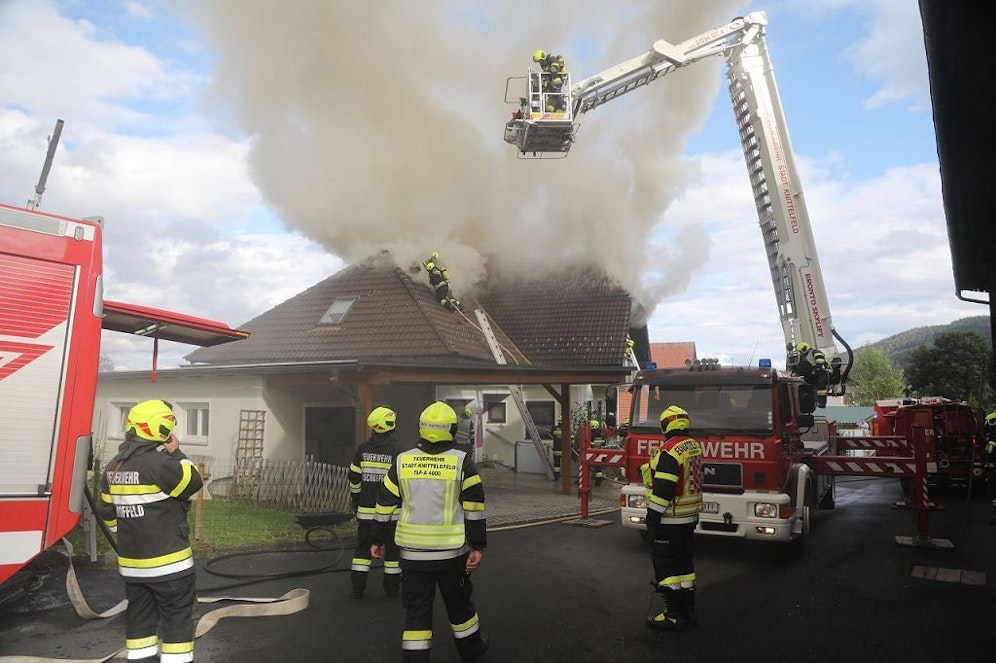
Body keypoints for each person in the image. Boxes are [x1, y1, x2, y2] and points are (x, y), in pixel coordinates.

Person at [371, 402, 489, 662]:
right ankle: (471, 650)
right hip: (452, 556)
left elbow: (383, 504)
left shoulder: (402, 461)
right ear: (453, 430)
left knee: (416, 614)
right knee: (460, 606)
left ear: (420, 429)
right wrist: (478, 546)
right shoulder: (462, 463)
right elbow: (474, 509)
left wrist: (377, 539)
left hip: (413, 557)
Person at [95, 400, 203, 663]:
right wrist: (177, 453)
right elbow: (193, 481)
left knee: (139, 621)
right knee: (177, 620)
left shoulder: (113, 468)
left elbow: (108, 515)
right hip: (170, 566)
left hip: (133, 567)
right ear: (161, 428)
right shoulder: (160, 464)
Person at [643, 405, 703, 631]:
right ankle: (689, 612)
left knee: (667, 569)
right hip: (689, 518)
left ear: (666, 425)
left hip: (670, 519)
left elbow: (665, 489)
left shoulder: (669, 451)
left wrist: (652, 517)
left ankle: (673, 615)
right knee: (685, 566)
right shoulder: (694, 447)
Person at [347, 406, 402, 598]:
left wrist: (356, 499)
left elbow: (353, 477)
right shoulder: (397, 451)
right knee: (393, 554)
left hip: (366, 512)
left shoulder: (362, 450)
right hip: (391, 515)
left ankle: (357, 588)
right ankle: (392, 589)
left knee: (362, 551)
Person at [985, 412, 996, 522]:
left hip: (994, 467)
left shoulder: (993, 434)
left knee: (993, 491)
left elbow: (990, 449)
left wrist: (987, 455)